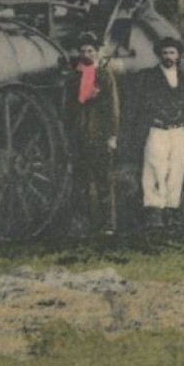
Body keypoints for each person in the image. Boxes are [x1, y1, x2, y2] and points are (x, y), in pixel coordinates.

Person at [134, 37, 184, 227]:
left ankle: (172, 211)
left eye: (172, 53)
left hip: (178, 132)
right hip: (157, 129)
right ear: (159, 55)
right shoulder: (148, 77)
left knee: (176, 170)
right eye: (165, 53)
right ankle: (154, 213)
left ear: (178, 56)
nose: (168, 56)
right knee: (155, 169)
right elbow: (140, 105)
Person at [66, 33, 120, 232]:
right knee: (80, 182)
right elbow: (69, 107)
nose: (86, 54)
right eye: (83, 51)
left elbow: (112, 107)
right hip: (81, 135)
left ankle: (108, 225)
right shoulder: (74, 78)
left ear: (97, 53)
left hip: (100, 135)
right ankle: (84, 224)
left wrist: (112, 136)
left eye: (90, 50)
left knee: (104, 181)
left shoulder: (104, 76)